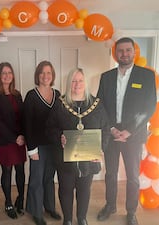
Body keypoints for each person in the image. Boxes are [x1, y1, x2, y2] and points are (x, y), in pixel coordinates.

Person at [96, 37, 157, 225]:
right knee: (110, 174)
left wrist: (129, 131)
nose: (124, 54)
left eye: (128, 50)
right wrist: (112, 129)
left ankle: (131, 212)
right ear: (116, 54)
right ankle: (110, 205)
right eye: (120, 51)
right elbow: (100, 106)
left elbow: (149, 107)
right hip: (111, 134)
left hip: (133, 136)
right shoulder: (106, 77)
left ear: (134, 52)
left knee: (132, 177)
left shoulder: (146, 76)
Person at [46, 68, 110, 225]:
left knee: (84, 190)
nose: (77, 84)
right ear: (69, 83)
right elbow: (49, 128)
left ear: (85, 82)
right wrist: (58, 136)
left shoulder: (97, 104)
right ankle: (67, 219)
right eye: (74, 81)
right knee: (66, 189)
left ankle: (82, 218)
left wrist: (101, 147)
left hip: (89, 158)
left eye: (80, 80)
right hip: (65, 159)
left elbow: (106, 129)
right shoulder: (60, 104)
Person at [24, 60, 62, 225]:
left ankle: (49, 207)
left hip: (54, 146)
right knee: (36, 179)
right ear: (37, 75)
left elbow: (62, 120)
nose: (46, 76)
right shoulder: (31, 95)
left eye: (49, 73)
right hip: (37, 146)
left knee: (49, 178)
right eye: (42, 72)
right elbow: (26, 124)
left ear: (52, 75)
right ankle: (36, 211)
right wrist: (31, 149)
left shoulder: (58, 95)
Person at [0, 62, 27, 219]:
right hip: (5, 140)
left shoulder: (17, 94)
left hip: (20, 140)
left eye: (9, 72)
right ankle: (8, 202)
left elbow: (23, 117)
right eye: (3, 73)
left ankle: (21, 199)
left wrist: (23, 135)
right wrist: (14, 138)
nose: (7, 75)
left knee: (20, 170)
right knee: (7, 171)